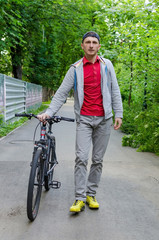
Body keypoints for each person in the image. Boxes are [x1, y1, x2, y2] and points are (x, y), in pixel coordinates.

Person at [38, 31, 123, 213]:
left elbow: (115, 90)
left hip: (104, 120)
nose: (91, 45)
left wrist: (119, 113)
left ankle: (91, 194)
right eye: (88, 42)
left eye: (94, 42)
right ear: (82, 45)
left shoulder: (107, 66)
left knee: (98, 160)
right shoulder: (75, 69)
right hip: (84, 119)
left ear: (99, 46)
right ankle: (79, 198)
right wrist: (49, 112)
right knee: (81, 158)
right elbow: (61, 93)